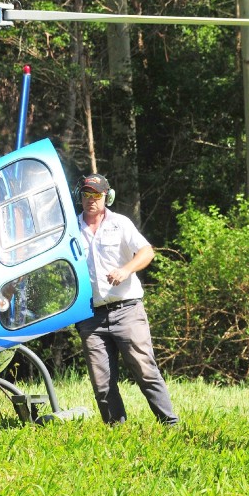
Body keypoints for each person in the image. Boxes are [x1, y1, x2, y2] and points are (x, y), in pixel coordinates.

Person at [75, 173, 179, 426]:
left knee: (145, 370)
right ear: (80, 197)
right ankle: (116, 430)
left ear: (107, 197)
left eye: (96, 195)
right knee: (102, 382)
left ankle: (170, 424)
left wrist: (126, 270)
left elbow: (146, 251)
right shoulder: (70, 228)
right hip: (89, 316)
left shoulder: (120, 223)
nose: (91, 200)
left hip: (127, 310)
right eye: (87, 195)